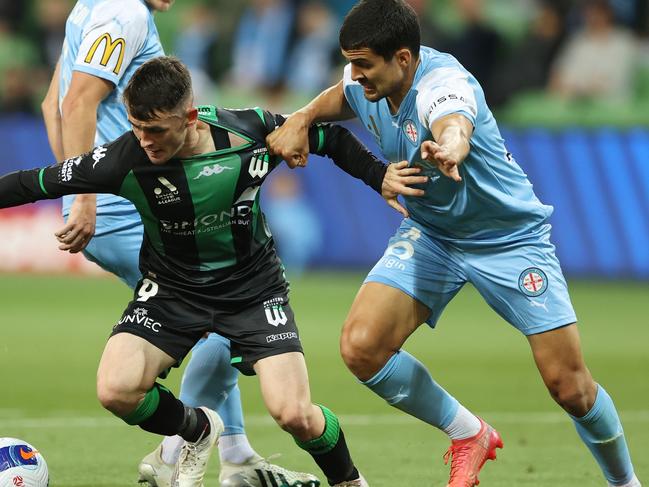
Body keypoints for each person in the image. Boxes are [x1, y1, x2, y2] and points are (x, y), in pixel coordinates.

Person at [267, 1, 643, 486]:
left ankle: (625, 482)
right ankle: (470, 433)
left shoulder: (444, 85)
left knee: (569, 386)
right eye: (352, 63)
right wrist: (301, 116)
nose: (355, 75)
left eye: (365, 65)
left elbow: (454, 120)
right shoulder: (366, 81)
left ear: (403, 58)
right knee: (362, 347)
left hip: (508, 239)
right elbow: (340, 96)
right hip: (433, 234)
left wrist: (451, 146)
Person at [7, 55, 426, 487]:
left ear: (190, 117)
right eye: (135, 126)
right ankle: (198, 430)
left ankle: (349, 481)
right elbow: (35, 181)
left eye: (155, 130)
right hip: (171, 293)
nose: (144, 140)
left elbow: (330, 138)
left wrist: (378, 177)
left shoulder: (249, 133)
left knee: (294, 414)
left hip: (253, 292)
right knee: (116, 390)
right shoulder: (123, 159)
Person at [39, 1, 321, 485]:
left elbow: (52, 105)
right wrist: (85, 197)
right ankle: (179, 452)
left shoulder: (89, 8)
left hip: (116, 204)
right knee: (219, 302)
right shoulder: (123, 12)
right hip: (129, 205)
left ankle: (234, 456)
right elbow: (76, 103)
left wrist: (76, 192)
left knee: (218, 322)